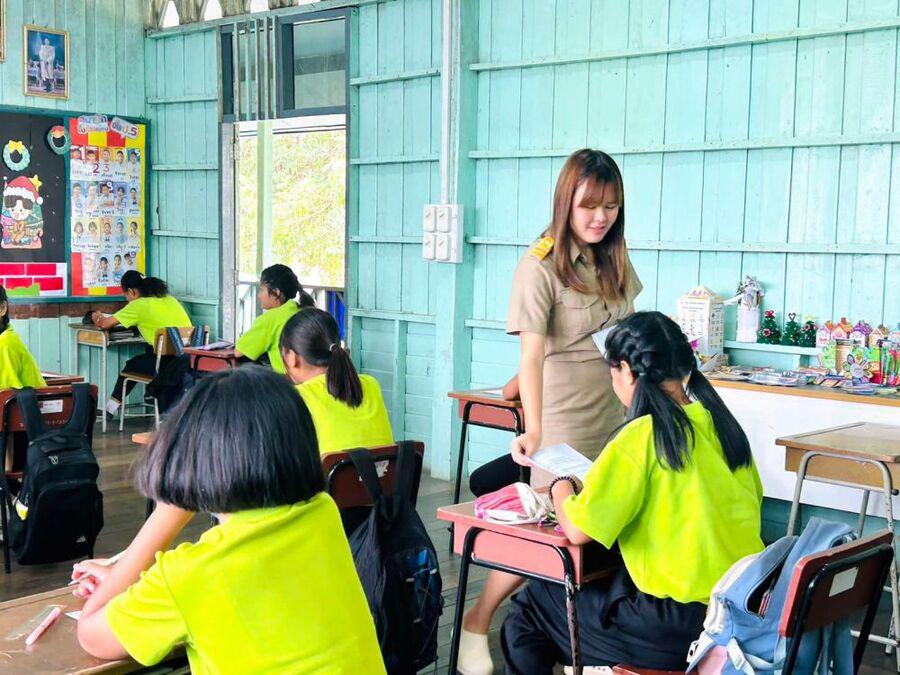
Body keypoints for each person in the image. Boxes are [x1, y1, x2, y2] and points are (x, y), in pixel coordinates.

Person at [72, 366, 386, 674]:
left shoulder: (190, 576)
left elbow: (90, 635)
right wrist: (124, 579)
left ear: (194, 462)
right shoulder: (322, 513)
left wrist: (168, 512)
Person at [459, 149, 643, 674]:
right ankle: (477, 620)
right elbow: (532, 356)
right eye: (589, 206)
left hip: (615, 416)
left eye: (610, 206)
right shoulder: (538, 266)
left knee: (608, 531)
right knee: (555, 536)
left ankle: (578, 638)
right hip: (564, 419)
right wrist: (535, 430)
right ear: (566, 203)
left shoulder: (614, 259)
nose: (600, 217)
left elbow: (624, 335)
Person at [501, 312, 764, 672]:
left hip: (676, 624)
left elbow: (577, 530)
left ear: (626, 370)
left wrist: (563, 484)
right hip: (739, 609)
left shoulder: (640, 437)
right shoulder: (723, 426)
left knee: (531, 608)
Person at [280, 308, 392, 455]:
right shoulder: (371, 384)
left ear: (291, 358)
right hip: (384, 470)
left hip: (328, 471)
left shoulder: (298, 397)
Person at [92, 271, 191, 416]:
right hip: (187, 361)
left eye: (126, 296)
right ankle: (146, 396)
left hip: (164, 364)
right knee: (145, 357)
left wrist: (96, 316)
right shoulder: (170, 299)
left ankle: (109, 410)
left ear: (131, 292)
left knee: (131, 366)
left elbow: (104, 324)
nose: (127, 300)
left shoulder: (138, 305)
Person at [234, 264, 313, 374]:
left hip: (287, 379)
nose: (259, 295)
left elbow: (238, 352)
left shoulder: (271, 319)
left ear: (276, 292)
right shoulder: (301, 310)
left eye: (262, 290)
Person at [0, 285, 46, 390]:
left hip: (32, 400)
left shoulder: (4, 343)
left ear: (2, 308)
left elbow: (4, 394)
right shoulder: (7, 336)